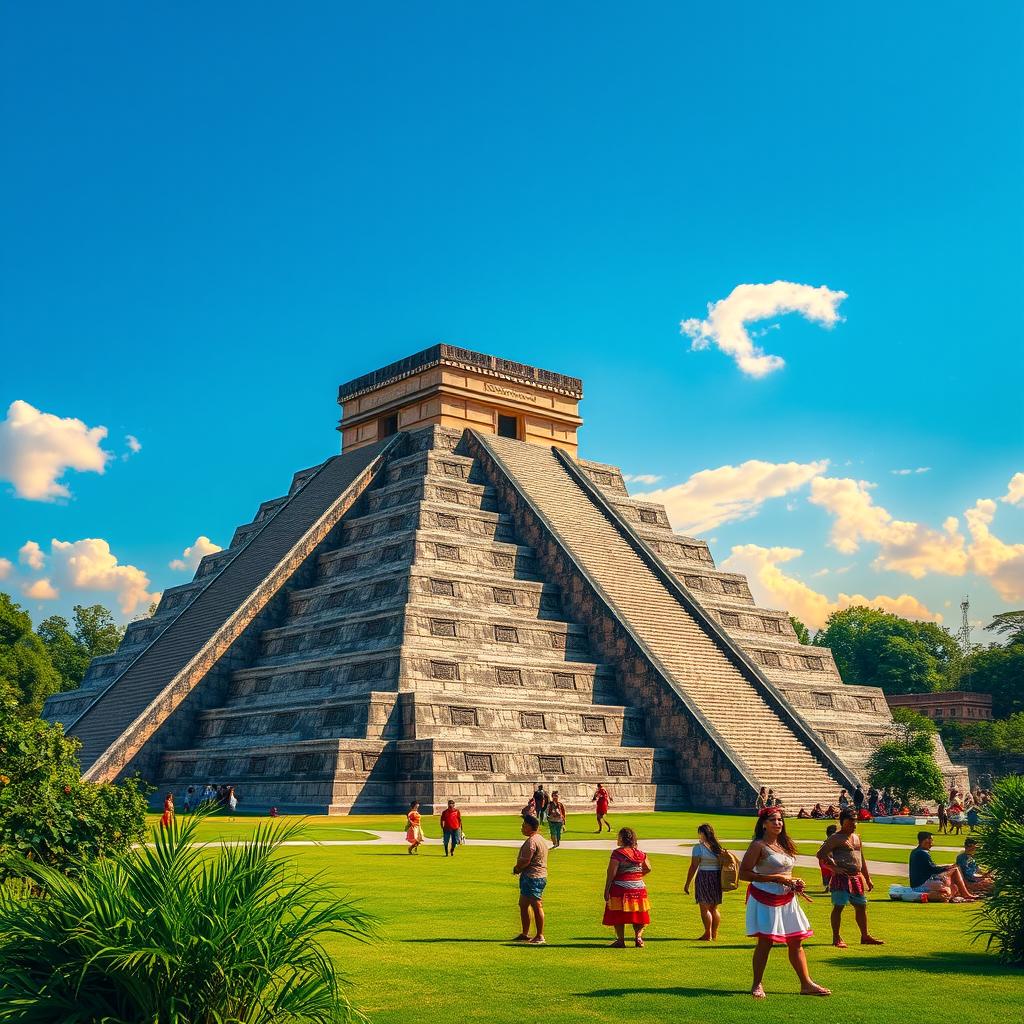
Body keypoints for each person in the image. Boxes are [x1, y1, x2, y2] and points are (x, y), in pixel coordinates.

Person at [740, 809, 829, 998]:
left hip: (787, 897)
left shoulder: (783, 844)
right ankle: (757, 984)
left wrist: (794, 881)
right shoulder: (758, 845)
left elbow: (785, 872)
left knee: (796, 941)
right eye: (773, 820)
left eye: (780, 820)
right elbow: (744, 874)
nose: (778, 823)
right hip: (765, 897)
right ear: (763, 823)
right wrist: (777, 878)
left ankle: (806, 983)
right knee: (766, 941)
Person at [816, 810, 883, 948]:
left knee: (861, 906)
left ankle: (865, 936)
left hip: (856, 877)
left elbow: (861, 859)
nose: (854, 824)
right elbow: (821, 854)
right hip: (842, 878)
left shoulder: (857, 837)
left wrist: (867, 878)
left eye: (855, 821)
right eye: (850, 822)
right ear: (843, 822)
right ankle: (836, 937)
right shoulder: (836, 838)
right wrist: (834, 868)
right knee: (839, 906)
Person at [603, 827, 651, 948]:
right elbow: (648, 868)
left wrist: (607, 889)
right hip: (639, 888)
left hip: (621, 887)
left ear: (623, 839)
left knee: (618, 914)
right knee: (639, 914)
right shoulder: (640, 853)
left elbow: (611, 872)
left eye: (618, 837)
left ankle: (621, 940)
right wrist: (638, 875)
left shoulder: (618, 853)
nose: (617, 839)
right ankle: (638, 938)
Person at [684, 822, 725, 941]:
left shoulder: (699, 848)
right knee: (714, 908)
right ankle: (714, 933)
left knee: (704, 908)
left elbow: (693, 866)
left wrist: (687, 883)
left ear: (702, 834)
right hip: (717, 877)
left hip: (704, 876)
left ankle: (707, 934)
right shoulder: (718, 847)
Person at [908, 832, 977, 902]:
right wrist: (946, 868)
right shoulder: (922, 853)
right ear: (926, 840)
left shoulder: (915, 851)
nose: (932, 843)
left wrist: (946, 868)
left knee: (953, 874)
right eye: (931, 840)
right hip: (921, 884)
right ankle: (965, 893)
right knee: (955, 869)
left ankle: (962, 892)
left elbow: (929, 868)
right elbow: (933, 869)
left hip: (917, 884)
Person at [512, 814, 548, 944]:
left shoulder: (532, 841)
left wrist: (517, 868)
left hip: (534, 877)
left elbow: (525, 861)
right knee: (523, 904)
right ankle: (525, 933)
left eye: (523, 825)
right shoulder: (539, 839)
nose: (522, 828)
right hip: (531, 877)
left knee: (536, 905)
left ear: (529, 827)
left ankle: (540, 935)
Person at [818, 824, 838, 890]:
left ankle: (829, 886)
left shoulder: (827, 843)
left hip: (825, 862)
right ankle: (830, 886)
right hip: (828, 862)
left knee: (828, 875)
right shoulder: (830, 843)